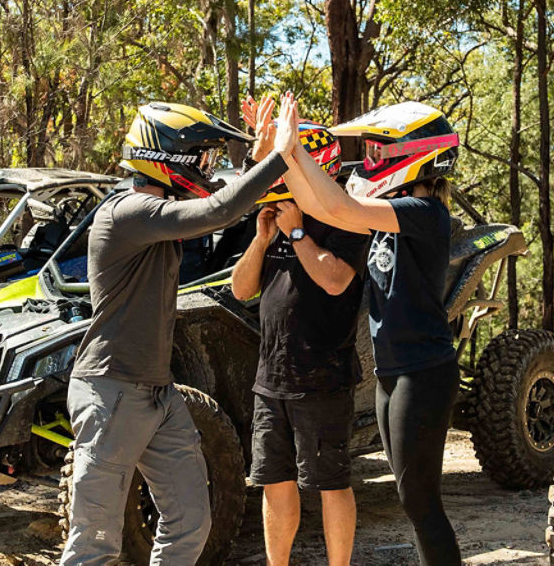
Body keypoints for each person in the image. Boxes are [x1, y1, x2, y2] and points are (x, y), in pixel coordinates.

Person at [60, 100, 295, 566]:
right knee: (93, 546)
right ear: (170, 158)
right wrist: (284, 153)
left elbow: (219, 203)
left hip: (157, 394)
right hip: (111, 394)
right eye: (202, 157)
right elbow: (218, 210)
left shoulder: (155, 212)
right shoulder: (128, 212)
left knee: (191, 520)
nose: (208, 167)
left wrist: (256, 159)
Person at [271, 94, 462, 566]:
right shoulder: (387, 209)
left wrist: (294, 150)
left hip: (423, 373)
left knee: (421, 500)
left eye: (380, 151)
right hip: (392, 374)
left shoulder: (423, 214)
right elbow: (322, 204)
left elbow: (337, 207)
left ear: (415, 156)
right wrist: (286, 154)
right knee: (412, 500)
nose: (371, 160)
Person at [231, 116, 367, 566]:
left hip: (323, 377)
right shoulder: (275, 217)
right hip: (271, 380)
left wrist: (297, 233)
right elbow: (240, 289)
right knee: (274, 479)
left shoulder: (343, 217)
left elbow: (335, 280)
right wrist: (262, 239)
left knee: (331, 482)